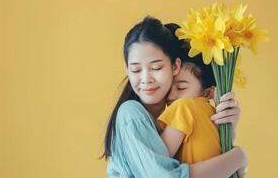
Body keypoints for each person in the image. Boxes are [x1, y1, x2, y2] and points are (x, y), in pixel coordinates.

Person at [102, 16, 247, 178]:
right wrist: (237, 157)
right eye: (135, 70)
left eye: (156, 67)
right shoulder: (131, 113)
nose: (146, 79)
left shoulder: (176, 118)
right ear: (127, 69)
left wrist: (229, 127)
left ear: (175, 66)